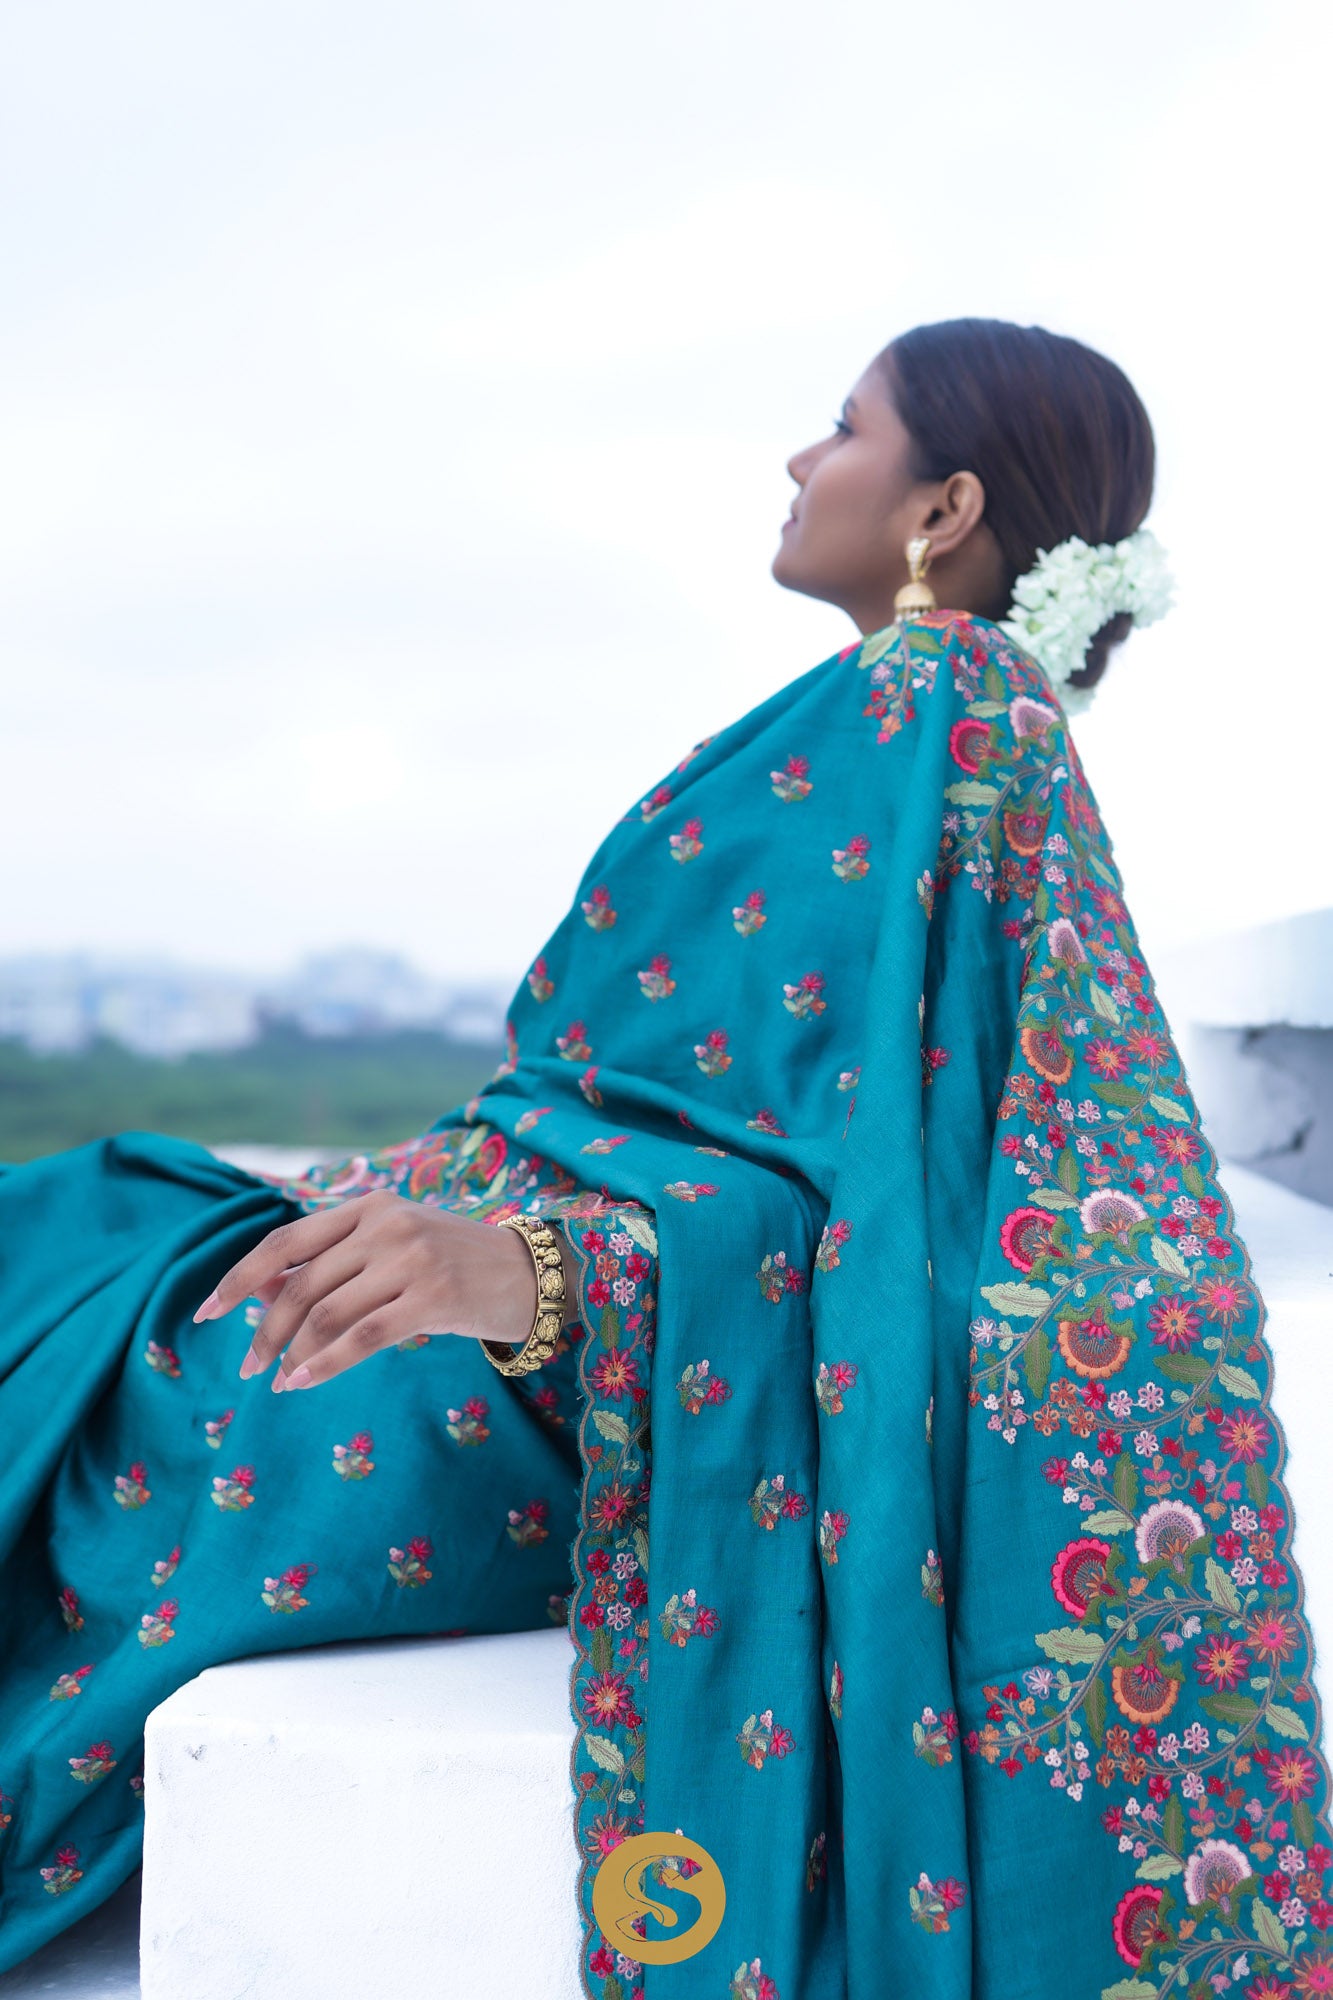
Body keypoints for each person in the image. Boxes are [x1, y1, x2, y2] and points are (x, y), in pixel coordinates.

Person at [1, 318, 1328, 2000]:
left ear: (944, 509)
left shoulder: (922, 718)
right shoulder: (940, 724)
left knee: (73, 1275)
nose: (799, 461)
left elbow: (880, 1215)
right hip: (535, 1337)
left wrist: (527, 1267)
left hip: (536, 1370)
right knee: (98, 1221)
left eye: (842, 427)